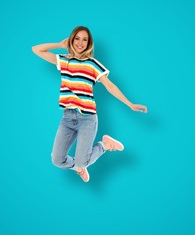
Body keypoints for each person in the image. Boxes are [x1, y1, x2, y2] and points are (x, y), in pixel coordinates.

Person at [32, 26, 147, 182]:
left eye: (84, 39)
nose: (80, 42)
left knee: (82, 161)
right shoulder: (64, 60)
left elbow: (110, 86)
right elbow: (36, 49)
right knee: (57, 160)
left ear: (89, 43)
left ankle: (104, 145)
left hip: (87, 118)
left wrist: (130, 104)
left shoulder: (92, 64)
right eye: (77, 38)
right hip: (67, 118)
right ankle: (79, 167)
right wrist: (59, 44)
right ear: (71, 40)